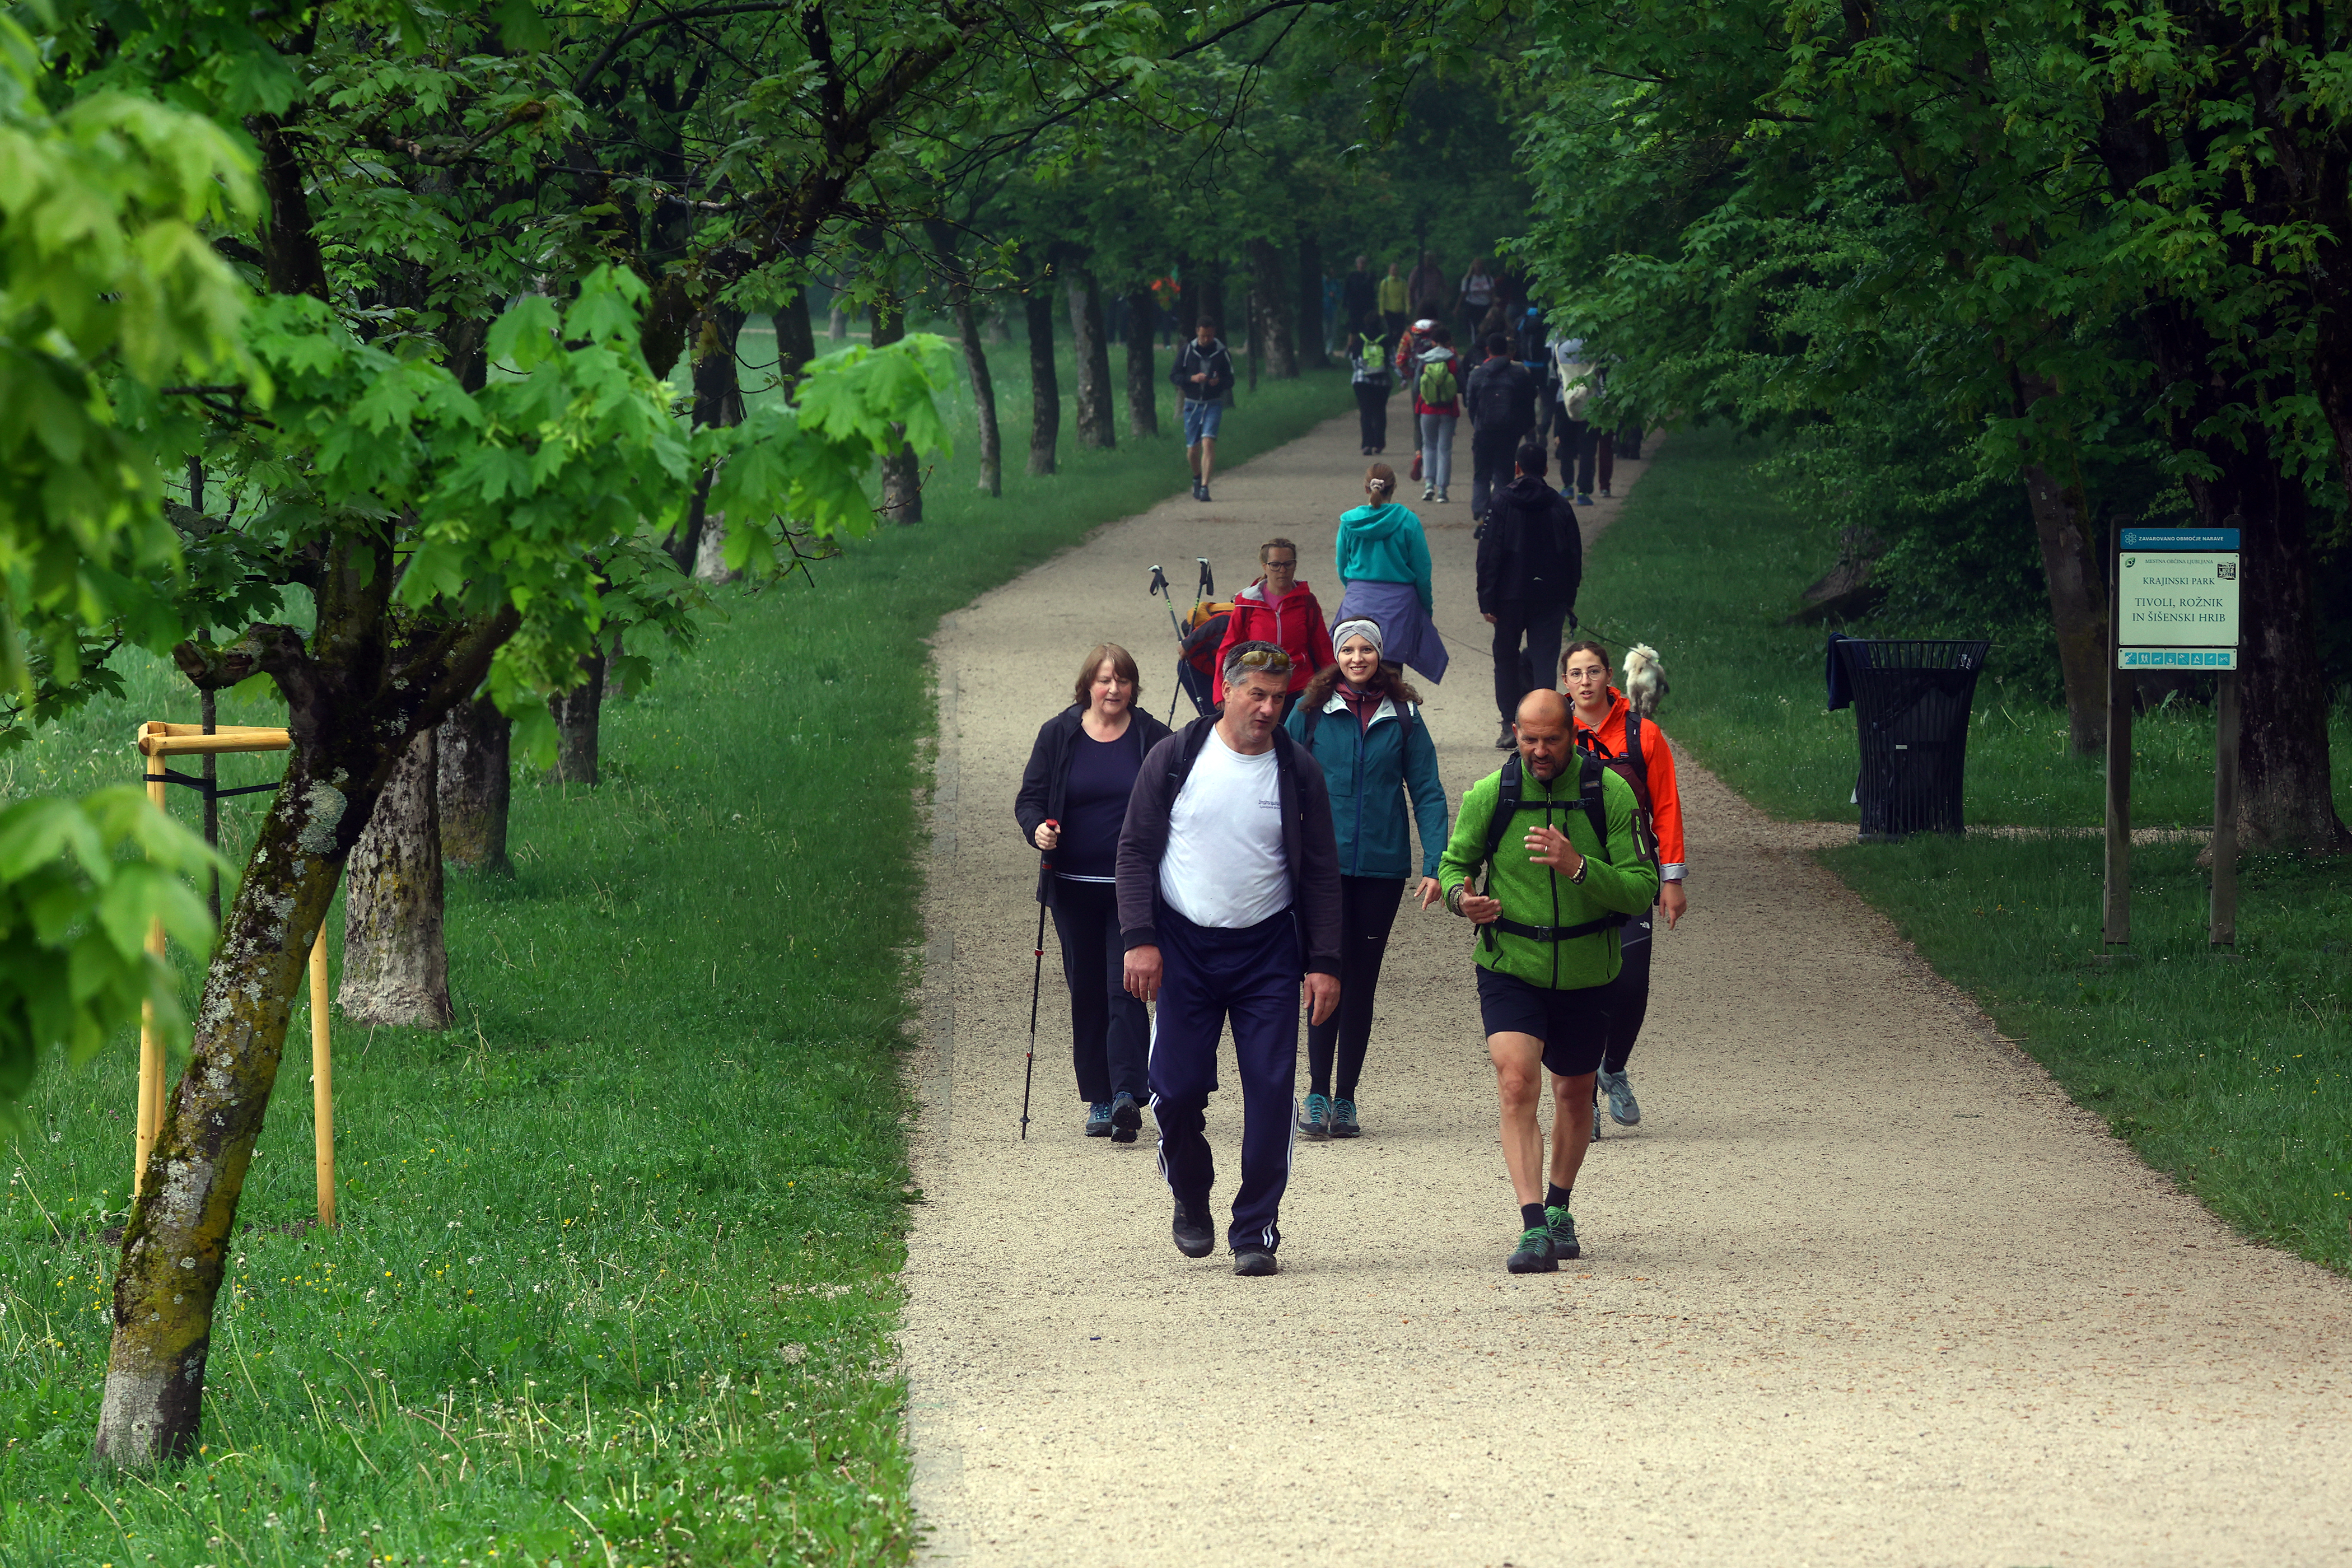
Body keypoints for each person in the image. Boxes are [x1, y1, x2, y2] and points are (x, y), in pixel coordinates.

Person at [1118, 641, 1344, 1277]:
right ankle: (1191, 1190)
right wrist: (1139, 937)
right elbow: (1134, 850)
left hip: (1267, 952)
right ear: (1226, 689)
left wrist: (1325, 961)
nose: (1268, 709)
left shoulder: (1298, 771)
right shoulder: (1175, 758)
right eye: (1257, 695)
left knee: (1271, 1092)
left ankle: (1256, 1229)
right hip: (1184, 948)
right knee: (1174, 1091)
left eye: (1279, 698)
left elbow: (1322, 873)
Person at [1434, 690, 1658, 1273]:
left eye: (1551, 740)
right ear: (1516, 732)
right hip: (1511, 964)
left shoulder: (1609, 793)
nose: (1539, 750)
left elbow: (1642, 887)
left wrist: (1577, 866)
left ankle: (1560, 1206)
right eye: (1529, 739)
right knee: (1516, 1082)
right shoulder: (1494, 794)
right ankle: (1534, 1225)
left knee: (1574, 1093)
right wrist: (1462, 899)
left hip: (1588, 968)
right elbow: (1454, 865)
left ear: (1572, 734)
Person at [1282, 619, 1447, 1141]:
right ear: (1337, 655)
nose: (1357, 658)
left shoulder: (1404, 715)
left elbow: (1428, 790)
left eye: (1367, 650)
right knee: (1322, 972)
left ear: (1380, 655)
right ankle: (1316, 1092)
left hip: (1381, 867)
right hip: (1321, 870)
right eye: (1348, 650)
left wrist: (1436, 864)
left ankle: (1347, 1097)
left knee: (1362, 981)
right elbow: (1276, 779)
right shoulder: (1309, 711)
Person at [1014, 645, 1176, 1141]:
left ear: (1134, 687)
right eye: (1105, 680)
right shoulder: (1058, 734)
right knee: (1086, 990)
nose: (1114, 689)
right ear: (1088, 684)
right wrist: (1038, 830)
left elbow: (1180, 798)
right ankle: (1099, 1097)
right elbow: (1030, 799)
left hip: (1132, 889)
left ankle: (1127, 1092)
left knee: (1125, 986)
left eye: (1123, 680)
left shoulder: (1153, 737)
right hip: (1072, 888)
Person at [1561, 641, 1687, 1130]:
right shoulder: (1553, 730)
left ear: (1611, 675)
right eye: (1576, 673)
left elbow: (1667, 807)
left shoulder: (1643, 734)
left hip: (1632, 873)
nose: (1586, 681)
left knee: (1631, 985)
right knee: (1582, 990)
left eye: (1594, 671)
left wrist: (1671, 879)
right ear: (1566, 681)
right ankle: (1584, 1100)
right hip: (1572, 878)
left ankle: (1612, 1068)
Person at [1477, 442, 1583, 749]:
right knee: (1545, 661)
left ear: (1517, 468)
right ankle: (1546, 726)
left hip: (1509, 595)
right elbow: (1573, 554)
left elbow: (1489, 552)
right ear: (1546, 469)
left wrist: (1487, 598)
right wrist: (1569, 596)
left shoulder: (1501, 502)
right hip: (1550, 595)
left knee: (1506, 658)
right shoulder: (1559, 505)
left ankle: (1509, 724)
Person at [1334, 463, 1448, 685]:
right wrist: (1426, 608)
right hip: (1399, 608)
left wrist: (1355, 590)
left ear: (1366, 488)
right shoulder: (1408, 520)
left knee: (1355, 671)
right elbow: (1422, 571)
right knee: (1391, 676)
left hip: (1358, 602)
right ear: (1394, 488)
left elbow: (1342, 566)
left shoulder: (1350, 522)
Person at [1211, 538, 1336, 713]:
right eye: (1275, 565)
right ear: (1265, 567)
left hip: (1300, 688)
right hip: (1258, 687)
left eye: (1288, 564)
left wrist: (1336, 684)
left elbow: (1323, 648)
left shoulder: (1307, 601)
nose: (1283, 570)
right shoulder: (1247, 604)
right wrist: (1220, 691)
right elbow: (1228, 649)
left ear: (1295, 565)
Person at [1464, 333, 1537, 521]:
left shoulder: (1478, 373)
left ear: (1488, 350)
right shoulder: (1519, 373)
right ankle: (1499, 512)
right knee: (1503, 474)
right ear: (1507, 350)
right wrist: (1525, 426)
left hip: (1484, 430)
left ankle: (1481, 511)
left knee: (1481, 474)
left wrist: (1477, 424)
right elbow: (1529, 399)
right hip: (1509, 431)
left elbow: (1470, 404)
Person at [1170, 318, 1235, 502]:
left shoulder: (1221, 352)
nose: (1207, 339)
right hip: (1192, 404)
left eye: (1210, 336)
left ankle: (1205, 487)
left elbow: (1231, 380)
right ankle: (1197, 477)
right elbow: (1174, 375)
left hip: (1213, 403)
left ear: (1214, 333)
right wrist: (1192, 379)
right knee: (1193, 450)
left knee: (1208, 442)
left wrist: (1219, 382)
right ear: (1197, 332)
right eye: (1203, 336)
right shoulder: (1187, 351)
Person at [1412, 326, 1464, 504]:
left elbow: (1417, 386)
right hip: (1448, 410)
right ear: (1449, 342)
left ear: (1433, 342)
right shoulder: (1454, 361)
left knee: (1429, 446)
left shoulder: (1424, 360)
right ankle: (1443, 490)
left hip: (1427, 409)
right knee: (1445, 449)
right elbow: (1462, 384)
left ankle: (1429, 485)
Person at [1348, 311, 1392, 455]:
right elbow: (1393, 360)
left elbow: (1354, 359)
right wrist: (1403, 378)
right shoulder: (1385, 339)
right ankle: (1379, 444)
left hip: (1362, 381)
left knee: (1365, 412)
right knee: (1380, 411)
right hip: (1382, 381)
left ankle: (1367, 444)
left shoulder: (1360, 339)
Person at [1458, 258, 1499, 347]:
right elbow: (1463, 294)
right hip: (1473, 306)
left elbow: (1492, 293)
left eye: (1480, 265)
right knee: (1475, 327)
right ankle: (1476, 344)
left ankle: (1487, 344)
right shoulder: (1468, 280)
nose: (1479, 268)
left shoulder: (1488, 279)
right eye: (1477, 265)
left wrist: (1494, 305)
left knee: (1487, 326)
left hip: (1486, 306)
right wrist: (1457, 308)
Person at [1342, 256, 1378, 353]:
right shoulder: (1352, 276)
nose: (1362, 265)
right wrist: (1345, 304)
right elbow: (1347, 291)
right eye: (1360, 263)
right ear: (1357, 265)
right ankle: (1350, 347)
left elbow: (1372, 293)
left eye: (1363, 263)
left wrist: (1373, 306)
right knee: (1354, 328)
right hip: (1354, 306)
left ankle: (1366, 348)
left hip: (1366, 307)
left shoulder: (1368, 276)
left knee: (1366, 327)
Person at [1377, 262, 1410, 353]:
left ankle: (1397, 348)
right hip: (1389, 311)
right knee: (1390, 332)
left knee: (1401, 332)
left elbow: (1406, 297)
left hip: (1400, 311)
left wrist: (1408, 309)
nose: (1395, 272)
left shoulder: (1403, 282)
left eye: (1396, 270)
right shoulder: (1385, 283)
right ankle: (1389, 349)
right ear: (1389, 271)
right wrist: (1381, 312)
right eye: (1393, 270)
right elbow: (1382, 298)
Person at [1407, 250, 1449, 321]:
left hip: (1434, 302)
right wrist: (1410, 303)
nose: (1430, 261)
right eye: (1428, 259)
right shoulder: (1418, 271)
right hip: (1421, 302)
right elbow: (1411, 287)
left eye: (1432, 259)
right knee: (1420, 321)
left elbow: (1444, 286)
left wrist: (1446, 300)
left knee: (1434, 322)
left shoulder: (1437, 271)